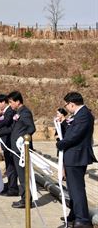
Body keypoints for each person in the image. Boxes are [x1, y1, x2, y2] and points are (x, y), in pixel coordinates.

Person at [56, 92, 97, 228]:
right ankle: (75, 214)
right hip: (72, 155)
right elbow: (71, 130)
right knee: (72, 189)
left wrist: (61, 144)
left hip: (76, 156)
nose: (66, 108)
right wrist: (62, 124)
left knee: (77, 189)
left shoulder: (84, 115)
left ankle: (83, 219)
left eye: (66, 105)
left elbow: (75, 135)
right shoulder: (79, 115)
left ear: (72, 104)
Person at [7, 91, 36, 209]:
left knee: (23, 176)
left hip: (22, 149)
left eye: (11, 102)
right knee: (21, 175)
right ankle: (24, 198)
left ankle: (26, 200)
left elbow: (31, 128)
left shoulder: (25, 112)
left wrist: (23, 138)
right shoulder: (17, 112)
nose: (10, 105)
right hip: (17, 149)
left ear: (18, 101)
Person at [0, 94, 19, 197]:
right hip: (6, 143)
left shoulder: (10, 111)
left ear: (3, 102)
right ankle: (10, 185)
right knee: (9, 165)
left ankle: (13, 189)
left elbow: (7, 123)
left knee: (11, 166)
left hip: (10, 143)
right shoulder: (6, 112)